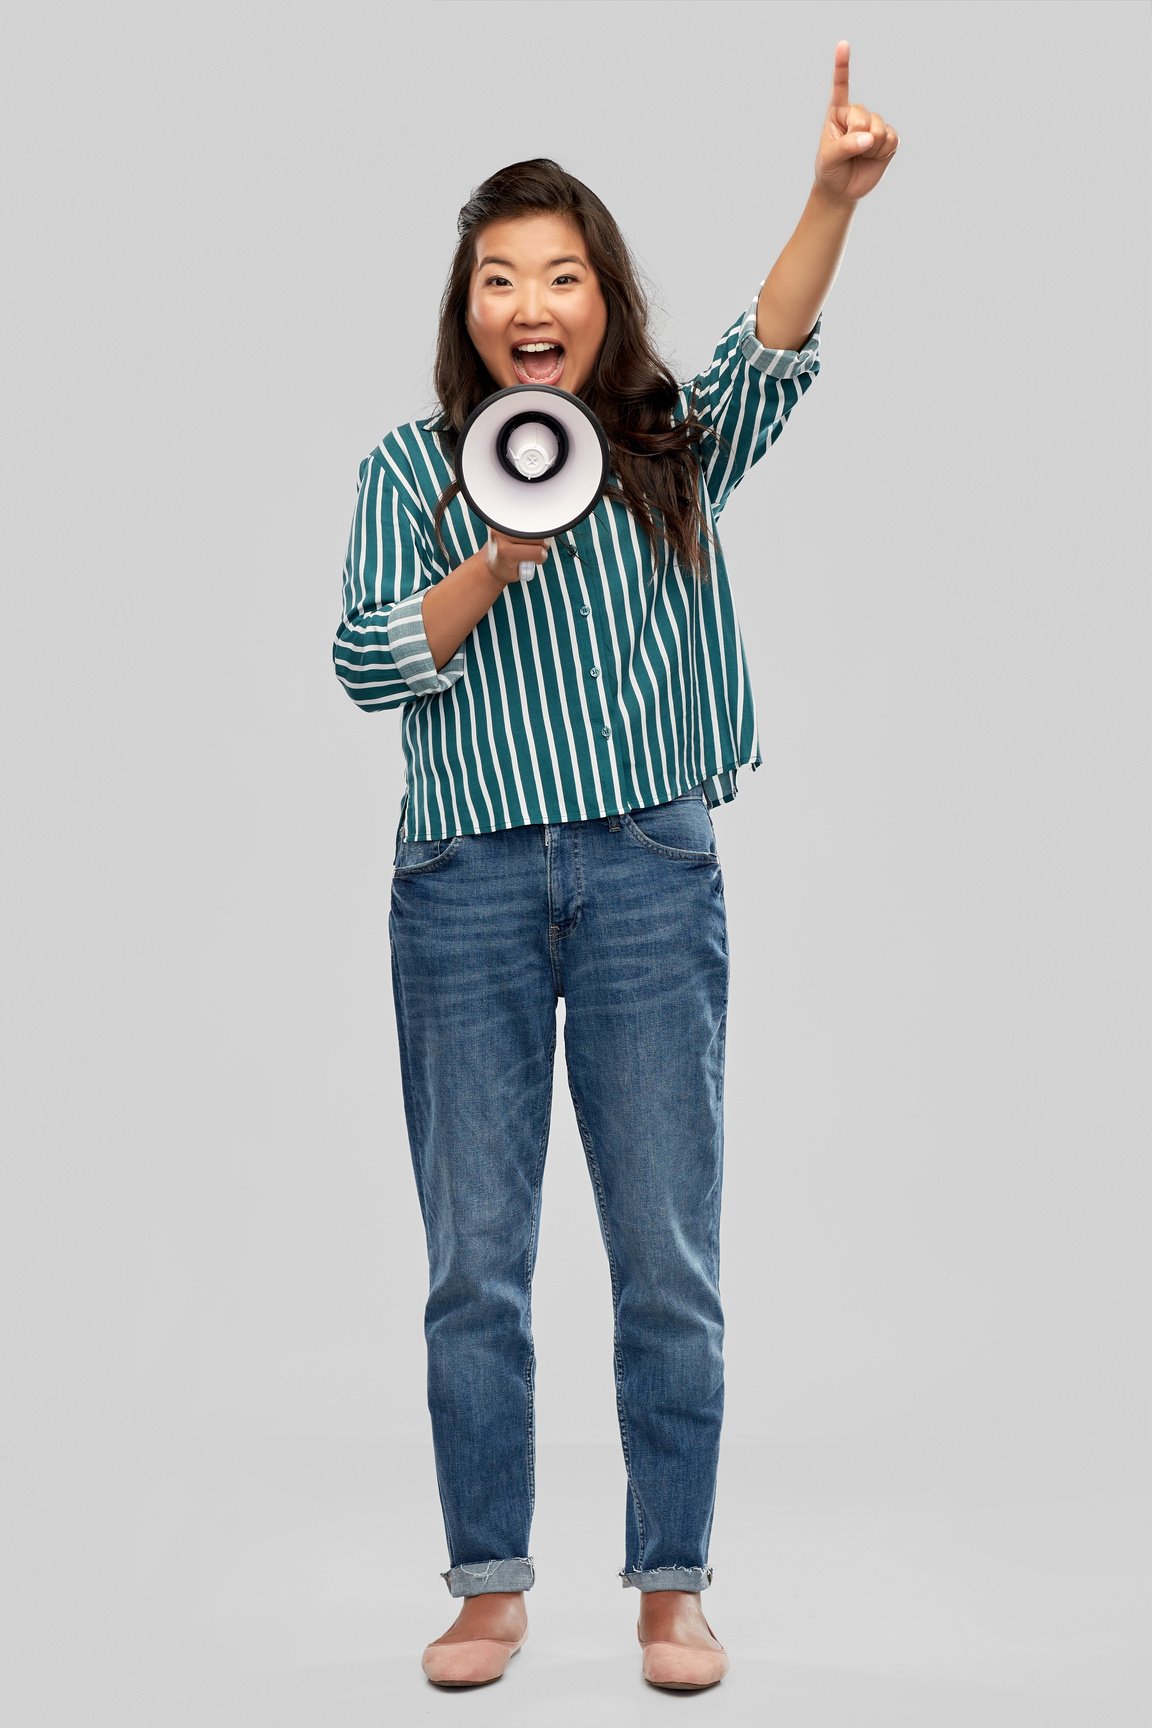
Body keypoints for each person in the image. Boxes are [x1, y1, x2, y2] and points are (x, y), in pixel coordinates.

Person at [331, 41, 897, 1691]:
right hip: (465, 890)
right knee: (475, 1256)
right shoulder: (403, 474)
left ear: (599, 301)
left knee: (666, 1245)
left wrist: (829, 197)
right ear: (470, 311)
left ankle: (670, 1585)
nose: (532, 298)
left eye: (562, 274)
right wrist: (493, 562)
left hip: (653, 872)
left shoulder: (666, 446)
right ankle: (491, 1585)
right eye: (501, 276)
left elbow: (769, 350)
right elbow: (371, 665)